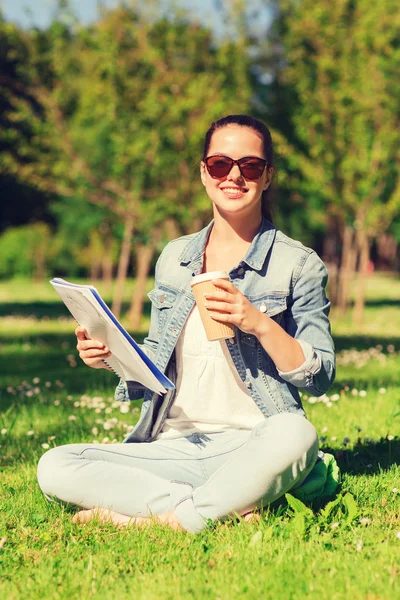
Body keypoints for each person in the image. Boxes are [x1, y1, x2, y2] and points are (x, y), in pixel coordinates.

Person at [37, 114, 336, 533]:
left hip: (254, 441)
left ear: (267, 176)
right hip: (174, 445)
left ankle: (167, 520)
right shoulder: (174, 259)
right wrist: (108, 356)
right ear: (203, 172)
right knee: (55, 464)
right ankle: (212, 507)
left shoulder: (298, 264)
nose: (234, 176)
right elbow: (157, 366)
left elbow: (319, 375)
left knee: (297, 434)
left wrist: (258, 322)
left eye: (249, 166)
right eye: (220, 164)